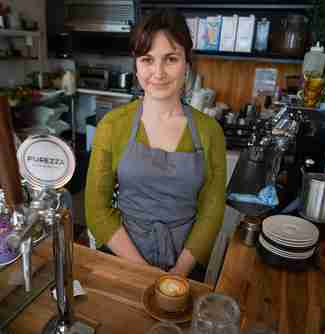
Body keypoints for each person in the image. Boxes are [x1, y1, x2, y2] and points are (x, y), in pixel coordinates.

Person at [85, 9, 226, 279]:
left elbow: (212, 211)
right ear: (136, 65)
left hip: (187, 265)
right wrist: (142, 271)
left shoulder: (210, 132)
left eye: (170, 59)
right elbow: (96, 209)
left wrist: (179, 271)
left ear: (187, 63)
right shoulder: (113, 125)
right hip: (122, 258)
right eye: (148, 59)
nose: (158, 72)